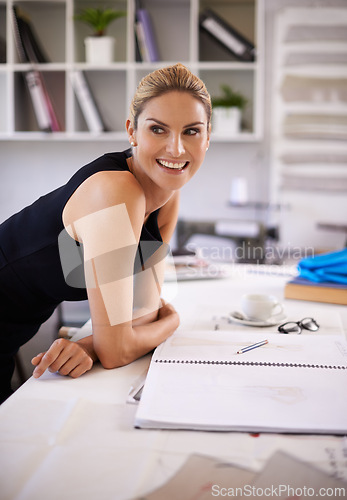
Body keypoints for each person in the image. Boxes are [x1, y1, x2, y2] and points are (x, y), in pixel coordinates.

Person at [0, 63, 212, 404]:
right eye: (158, 130)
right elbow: (123, 345)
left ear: (207, 136)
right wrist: (172, 323)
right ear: (132, 131)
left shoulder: (167, 197)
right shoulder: (116, 191)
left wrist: (90, 345)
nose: (176, 149)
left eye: (191, 131)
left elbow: (143, 315)